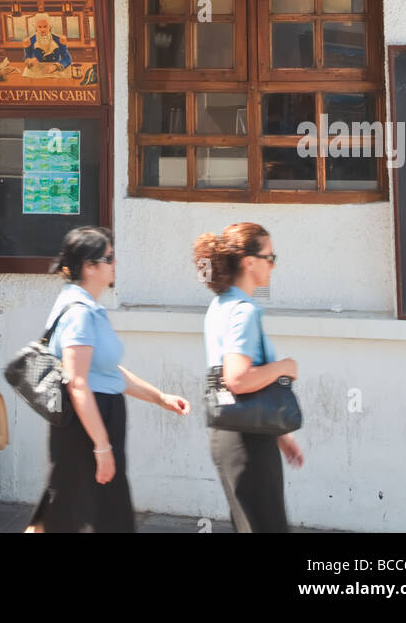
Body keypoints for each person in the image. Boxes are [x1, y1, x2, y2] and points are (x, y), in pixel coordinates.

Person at [27, 226, 190, 533]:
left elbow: (107, 373)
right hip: (88, 424)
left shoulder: (86, 306)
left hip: (94, 418)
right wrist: (102, 447)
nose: (115, 263)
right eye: (109, 257)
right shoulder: (81, 313)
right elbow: (77, 382)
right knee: (93, 516)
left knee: (64, 514)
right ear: (89, 266)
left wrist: (160, 398)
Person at [194, 223, 304, 534]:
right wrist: (284, 366)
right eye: (269, 256)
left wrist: (280, 435)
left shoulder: (221, 305)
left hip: (233, 433)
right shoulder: (244, 311)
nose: (273, 264)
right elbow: (238, 379)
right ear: (249, 261)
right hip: (246, 441)